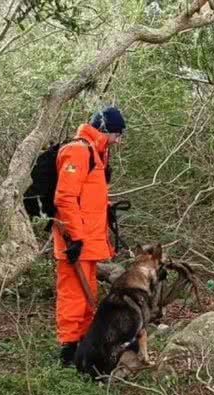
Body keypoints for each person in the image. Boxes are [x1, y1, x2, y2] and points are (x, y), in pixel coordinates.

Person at [53, 106, 126, 366]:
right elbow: (64, 198)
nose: (118, 141)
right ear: (105, 130)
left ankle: (83, 345)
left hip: (90, 241)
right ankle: (68, 352)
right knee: (73, 296)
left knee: (87, 296)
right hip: (76, 242)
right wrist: (75, 237)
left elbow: (86, 198)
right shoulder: (78, 151)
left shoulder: (96, 153)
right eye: (116, 135)